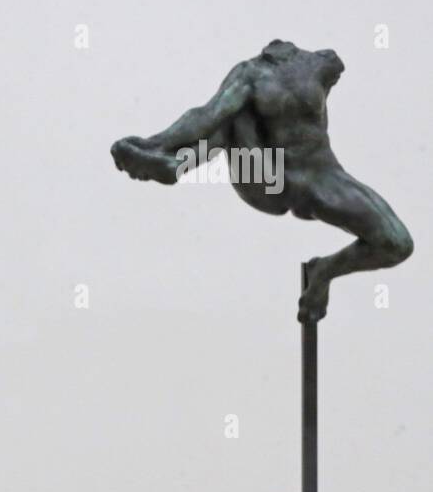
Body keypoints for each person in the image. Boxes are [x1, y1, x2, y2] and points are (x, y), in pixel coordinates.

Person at [111, 39, 413, 321]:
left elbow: (335, 74)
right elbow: (207, 115)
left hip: (322, 176)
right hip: (267, 178)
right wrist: (154, 142)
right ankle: (172, 162)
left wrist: (325, 274)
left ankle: (323, 272)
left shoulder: (321, 63)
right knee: (233, 114)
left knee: (397, 243)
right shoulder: (249, 74)